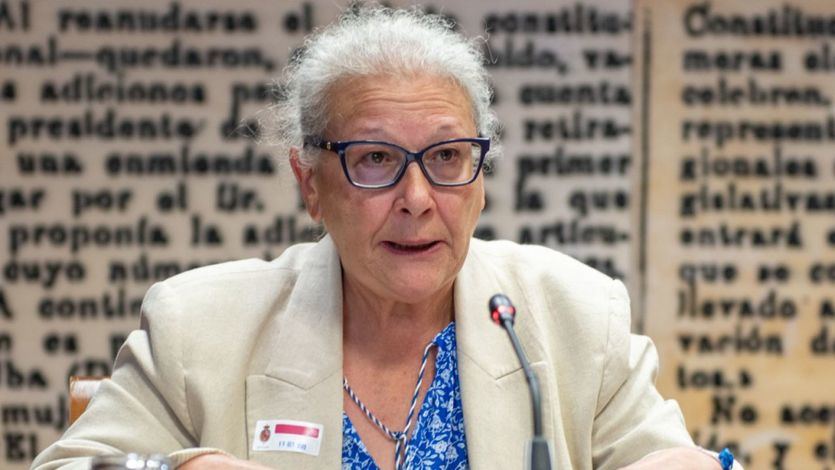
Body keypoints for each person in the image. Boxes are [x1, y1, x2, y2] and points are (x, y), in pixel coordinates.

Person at [33, 6, 739, 470]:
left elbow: (662, 458)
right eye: (373, 160)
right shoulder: (198, 325)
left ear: (480, 172)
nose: (417, 200)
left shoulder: (574, 315)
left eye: (445, 157)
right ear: (309, 182)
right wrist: (172, 467)